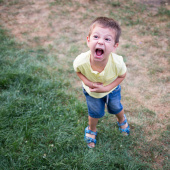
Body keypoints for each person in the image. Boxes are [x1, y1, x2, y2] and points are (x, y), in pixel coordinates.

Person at [73, 17, 130, 148]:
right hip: (91, 93)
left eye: (107, 39)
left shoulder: (117, 63)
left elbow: (122, 75)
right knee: (94, 113)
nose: (100, 41)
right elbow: (78, 71)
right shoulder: (80, 61)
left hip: (112, 91)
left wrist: (107, 88)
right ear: (88, 40)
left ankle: (122, 120)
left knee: (115, 107)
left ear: (115, 46)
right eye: (96, 37)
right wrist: (87, 82)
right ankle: (92, 130)